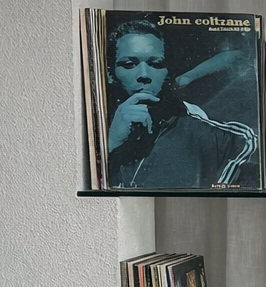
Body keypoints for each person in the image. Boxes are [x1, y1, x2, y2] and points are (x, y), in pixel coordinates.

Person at [106, 18, 257, 188]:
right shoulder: (98, 131)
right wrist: (110, 143)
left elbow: (238, 56)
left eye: (155, 64)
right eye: (129, 64)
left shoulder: (221, 139)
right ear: (110, 74)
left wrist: (187, 78)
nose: (144, 74)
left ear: (168, 70)